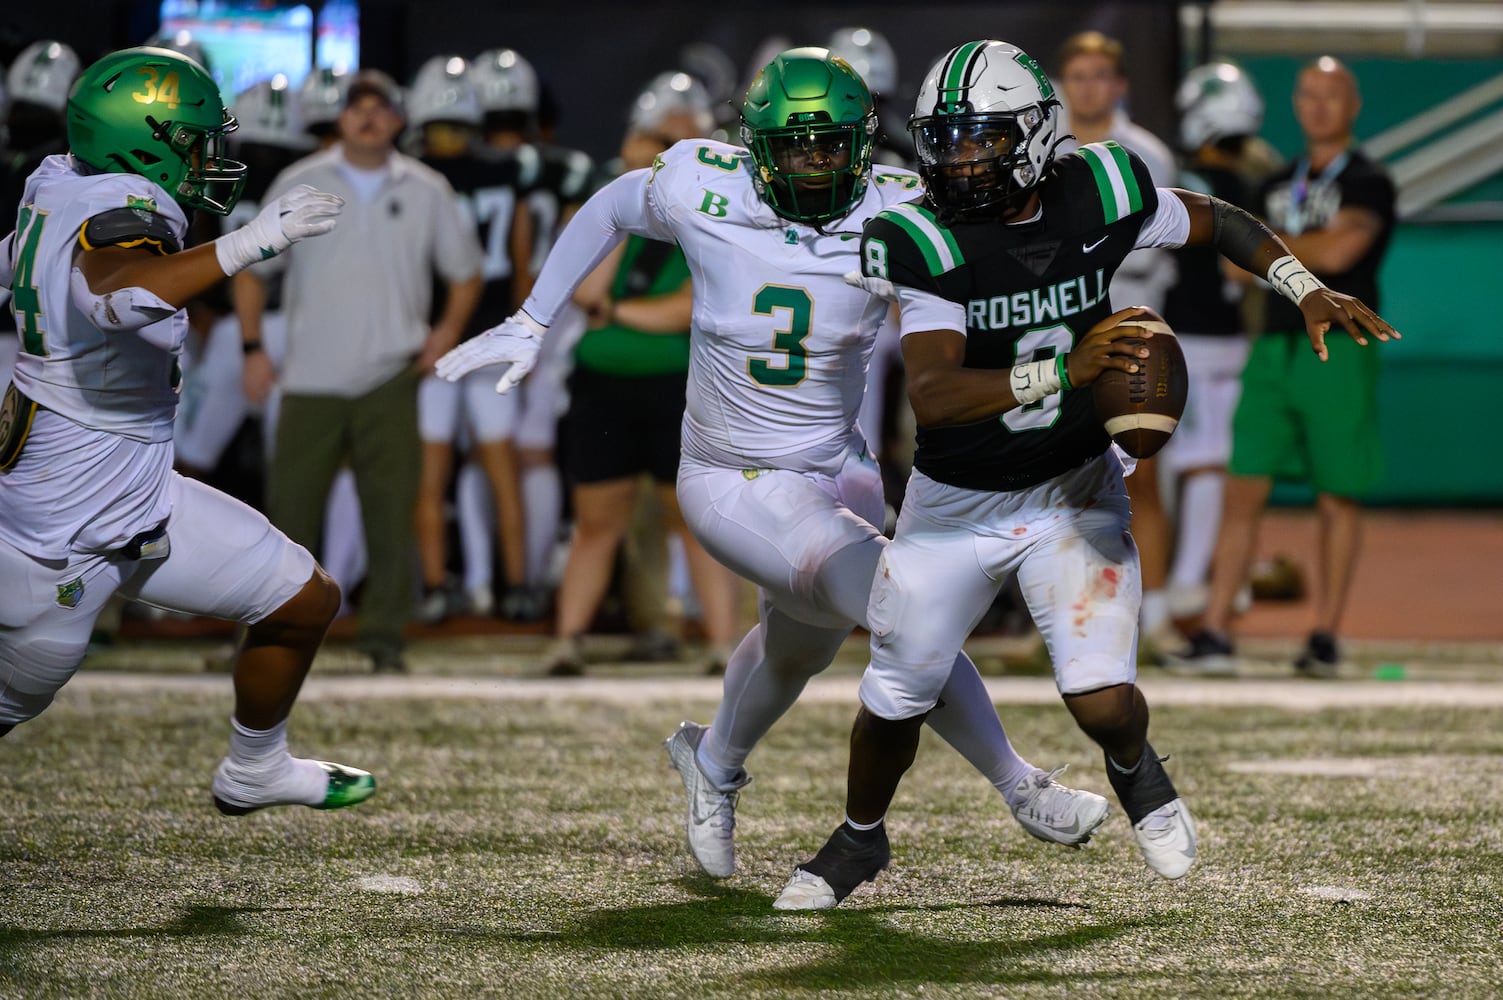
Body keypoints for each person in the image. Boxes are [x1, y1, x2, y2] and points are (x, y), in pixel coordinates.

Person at [435, 47, 1110, 882]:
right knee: (902, 606)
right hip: (732, 477)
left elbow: (1013, 265)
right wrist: (533, 319)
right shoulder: (701, 183)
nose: (815, 162)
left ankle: (712, 763)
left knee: (796, 651)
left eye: (832, 144)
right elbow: (611, 204)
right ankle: (1019, 785)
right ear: (755, 146)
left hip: (839, 466)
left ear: (866, 142)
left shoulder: (907, 201)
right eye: (794, 146)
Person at [778, 39, 1398, 909]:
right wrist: (1064, 371)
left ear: (1034, 135)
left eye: (981, 138)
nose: (958, 158)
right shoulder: (918, 232)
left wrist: (1300, 286)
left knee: (1100, 698)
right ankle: (859, 842)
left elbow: (1214, 217)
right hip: (953, 503)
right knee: (893, 695)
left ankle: (1135, 769)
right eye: (945, 138)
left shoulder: (1100, 187)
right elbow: (936, 391)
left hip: (1072, 486)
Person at [0, 45, 375, 815]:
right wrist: (249, 244)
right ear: (144, 140)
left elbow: (17, 262)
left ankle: (256, 769)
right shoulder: (122, 208)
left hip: (132, 492)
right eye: (197, 139)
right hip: (65, 532)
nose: (213, 156)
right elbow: (118, 294)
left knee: (304, 599)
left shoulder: (57, 180)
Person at [234, 70, 484, 673]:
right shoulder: (299, 182)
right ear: (338, 118)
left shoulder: (427, 188)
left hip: (391, 376)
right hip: (310, 377)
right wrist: (252, 348)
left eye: (381, 107)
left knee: (390, 512)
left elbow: (466, 270)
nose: (368, 117)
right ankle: (270, 640)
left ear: (399, 119)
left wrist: (447, 331)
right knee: (289, 519)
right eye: (356, 108)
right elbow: (248, 266)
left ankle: (384, 638)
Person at [1175, 57, 1397, 678]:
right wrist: (1286, 248)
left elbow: (1341, 248)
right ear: (1295, 104)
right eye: (1308, 94)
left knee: (1338, 490)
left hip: (1343, 344)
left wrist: (1269, 246)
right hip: (1271, 344)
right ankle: (1217, 629)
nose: (1319, 105)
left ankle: (1325, 633)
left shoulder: (1369, 179)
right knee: (1242, 482)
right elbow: (1230, 263)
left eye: (1332, 94)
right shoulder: (1275, 179)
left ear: (1352, 105)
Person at [541, 79, 740, 677]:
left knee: (696, 520)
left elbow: (689, 308)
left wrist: (619, 314)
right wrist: (625, 199)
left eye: (687, 142)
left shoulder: (717, 212)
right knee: (597, 522)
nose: (675, 154)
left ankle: (721, 644)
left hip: (680, 384)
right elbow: (585, 291)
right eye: (662, 141)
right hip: (603, 383)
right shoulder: (610, 203)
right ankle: (566, 641)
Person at [1054, 31, 1181, 646]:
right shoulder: (1041, 149)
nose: (1088, 87)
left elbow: (1151, 249)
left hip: (1129, 324)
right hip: (1055, 332)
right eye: (1077, 75)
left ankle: (1152, 616)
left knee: (1141, 470)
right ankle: (1066, 617)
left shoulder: (1147, 155)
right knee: (1051, 477)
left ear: (1120, 85)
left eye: (1100, 75)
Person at [406, 55, 532, 623]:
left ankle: (437, 584)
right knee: (500, 471)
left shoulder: (413, 175)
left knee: (433, 472)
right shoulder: (508, 169)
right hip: (492, 332)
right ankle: (517, 587)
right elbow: (524, 255)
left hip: (436, 338)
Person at [471, 48, 595, 620]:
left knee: (487, 457)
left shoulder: (460, 167)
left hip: (489, 314)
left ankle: (488, 582)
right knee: (533, 451)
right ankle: (530, 579)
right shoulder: (566, 165)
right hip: (557, 311)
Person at [1156, 61, 1268, 635]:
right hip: (1222, 341)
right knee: (1207, 462)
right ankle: (1191, 578)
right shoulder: (1244, 190)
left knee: (1176, 460)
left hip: (1177, 333)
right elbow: (1247, 276)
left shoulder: (1174, 178)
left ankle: (1181, 578)